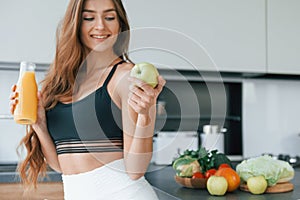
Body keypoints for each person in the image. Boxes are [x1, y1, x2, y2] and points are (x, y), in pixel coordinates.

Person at [9, 0, 165, 199]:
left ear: (120, 25)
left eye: (109, 17)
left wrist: (145, 116)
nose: (100, 25)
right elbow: (61, 165)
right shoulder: (59, 83)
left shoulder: (125, 77)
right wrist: (39, 124)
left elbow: (136, 170)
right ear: (75, 24)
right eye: (89, 18)